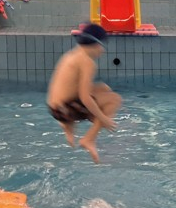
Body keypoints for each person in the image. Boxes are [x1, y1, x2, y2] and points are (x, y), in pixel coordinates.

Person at [47, 23, 122, 163]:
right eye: (102, 46)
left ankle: (68, 126)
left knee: (103, 88)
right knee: (115, 100)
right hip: (65, 110)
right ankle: (89, 139)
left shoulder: (72, 55)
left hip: (54, 107)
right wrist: (104, 119)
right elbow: (85, 97)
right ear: (95, 44)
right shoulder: (87, 62)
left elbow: (73, 89)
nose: (102, 51)